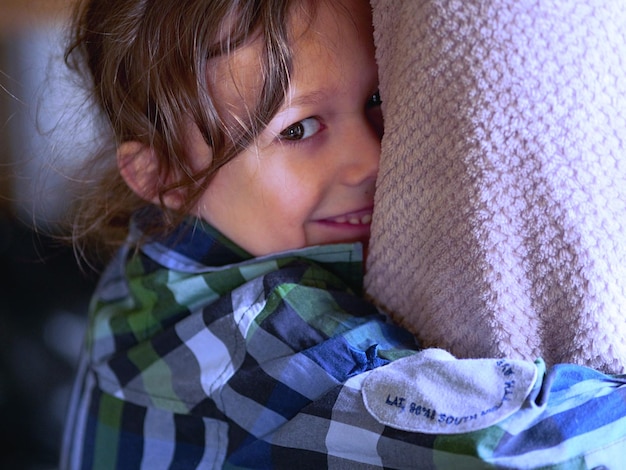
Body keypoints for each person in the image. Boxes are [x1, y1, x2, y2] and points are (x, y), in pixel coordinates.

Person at [60, 0, 626, 468]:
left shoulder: (158, 261)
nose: (371, 157)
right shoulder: (259, 337)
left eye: (376, 101)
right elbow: (518, 449)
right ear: (166, 176)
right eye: (299, 129)